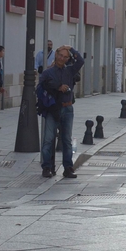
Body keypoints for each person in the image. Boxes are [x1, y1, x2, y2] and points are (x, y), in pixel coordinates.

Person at [40, 45, 85, 178]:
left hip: (68, 107)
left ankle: (68, 168)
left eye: (66, 57)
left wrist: (71, 49)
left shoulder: (70, 71)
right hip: (53, 109)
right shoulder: (48, 72)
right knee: (48, 139)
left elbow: (81, 61)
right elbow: (42, 86)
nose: (62, 58)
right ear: (56, 55)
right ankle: (46, 167)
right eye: (61, 55)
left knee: (67, 140)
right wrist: (58, 87)